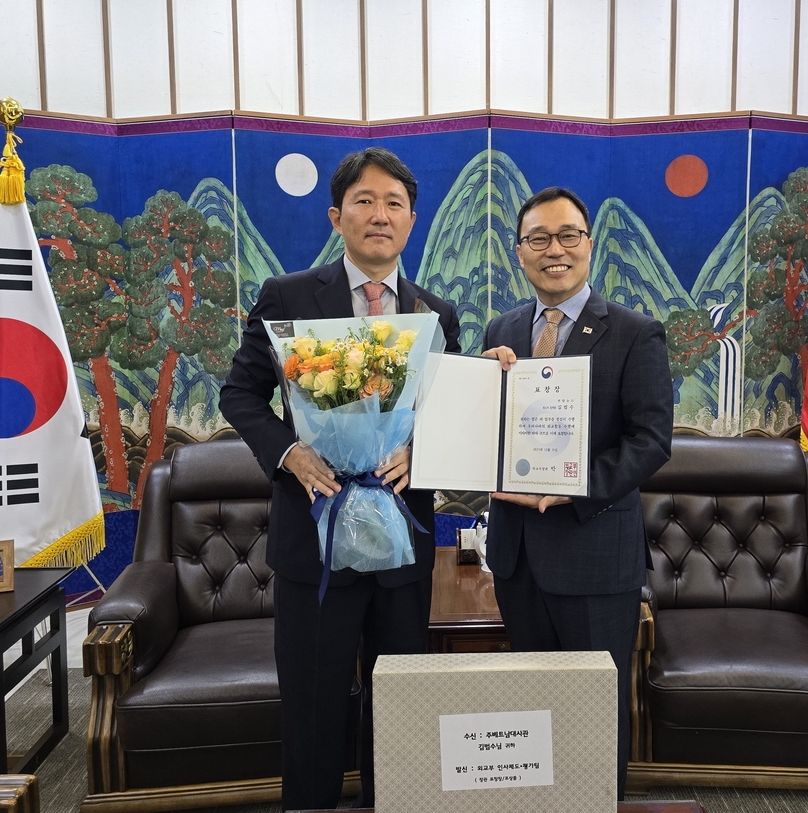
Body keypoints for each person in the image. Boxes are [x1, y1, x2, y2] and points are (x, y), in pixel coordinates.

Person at [220, 147, 461, 811]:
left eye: (393, 203)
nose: (378, 215)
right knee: (314, 698)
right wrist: (290, 453)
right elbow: (239, 396)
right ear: (337, 215)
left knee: (400, 697)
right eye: (364, 201)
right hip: (314, 534)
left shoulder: (438, 313)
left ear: (413, 219)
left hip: (401, 540)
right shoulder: (289, 296)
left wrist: (425, 450)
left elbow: (450, 410)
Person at [482, 186, 672, 799]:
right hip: (515, 554)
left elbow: (650, 441)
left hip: (594, 553)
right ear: (519, 252)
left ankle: (595, 804)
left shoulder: (635, 333)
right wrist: (484, 389)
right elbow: (490, 432)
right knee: (534, 698)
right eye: (538, 238)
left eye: (568, 236)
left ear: (589, 246)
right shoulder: (503, 328)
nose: (554, 250)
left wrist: (575, 489)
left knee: (592, 705)